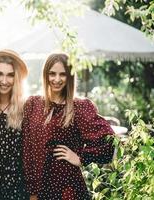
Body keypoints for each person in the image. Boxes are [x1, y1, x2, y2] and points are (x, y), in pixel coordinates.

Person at [22, 53, 115, 200]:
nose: (57, 79)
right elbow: (27, 150)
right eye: (52, 73)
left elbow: (108, 140)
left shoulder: (79, 107)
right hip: (39, 188)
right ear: (45, 75)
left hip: (68, 188)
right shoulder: (32, 104)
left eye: (62, 74)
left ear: (70, 77)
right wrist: (32, 191)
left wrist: (80, 157)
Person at [0, 49, 30, 200]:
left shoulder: (27, 108)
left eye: (10, 75)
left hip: (19, 187)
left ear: (16, 78)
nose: (4, 80)